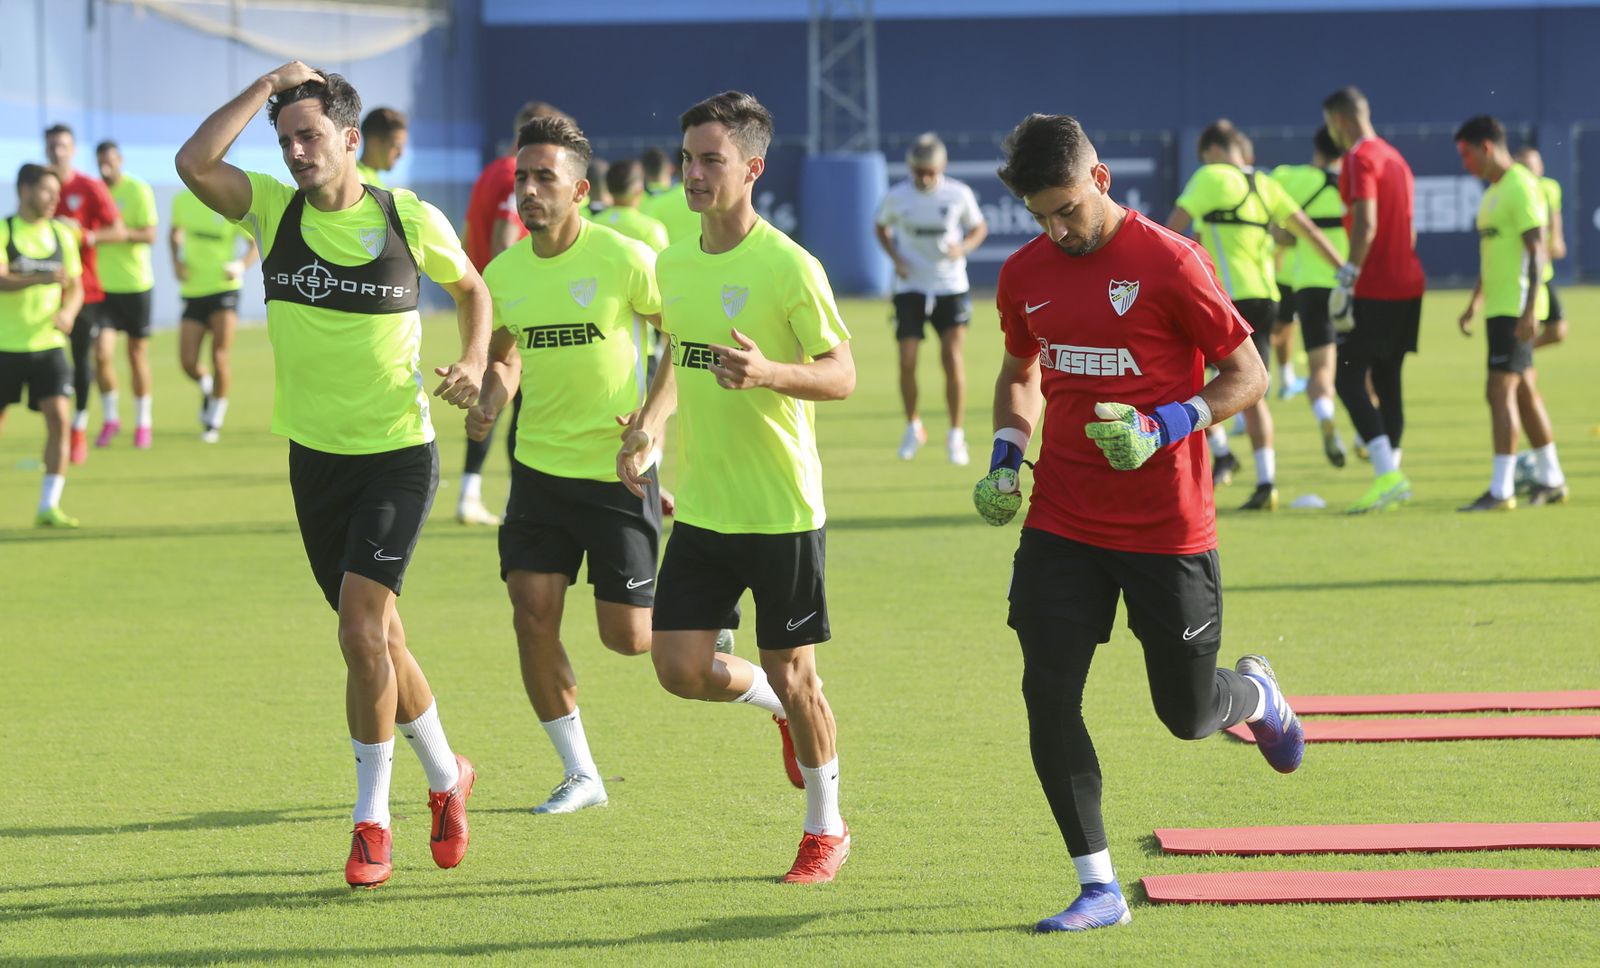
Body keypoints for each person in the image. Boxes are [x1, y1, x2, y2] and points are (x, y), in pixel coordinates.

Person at [976, 113, 1304, 933]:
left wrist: (1167, 423)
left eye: (1067, 209)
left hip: (1167, 527)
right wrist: (1005, 458)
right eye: (1040, 215)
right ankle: (1099, 888)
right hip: (1062, 521)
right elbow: (1020, 374)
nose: (1057, 228)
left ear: (1101, 180)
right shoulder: (1023, 274)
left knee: (1187, 716)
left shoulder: (1169, 260)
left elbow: (1248, 373)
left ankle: (1257, 696)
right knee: (1047, 694)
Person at [176, 61, 488, 889]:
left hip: (396, 455)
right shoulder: (272, 213)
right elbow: (195, 163)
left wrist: (475, 357)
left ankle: (371, 822)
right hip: (313, 460)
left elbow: (474, 290)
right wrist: (266, 84)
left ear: (353, 140)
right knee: (380, 638)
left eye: (310, 136)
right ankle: (446, 774)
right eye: (286, 141)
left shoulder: (407, 216)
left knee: (358, 630)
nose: (295, 153)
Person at [617, 91, 856, 884]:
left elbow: (842, 373)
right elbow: (676, 358)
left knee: (799, 672)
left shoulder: (790, 265)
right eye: (687, 158)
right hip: (706, 510)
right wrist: (649, 426)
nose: (692, 173)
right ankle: (780, 714)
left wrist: (770, 373)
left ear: (752, 168)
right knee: (679, 668)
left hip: (781, 509)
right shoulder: (674, 262)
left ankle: (826, 828)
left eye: (710, 159)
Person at [468, 116, 663, 814]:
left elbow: (679, 336)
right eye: (521, 177)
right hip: (539, 474)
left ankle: (750, 674)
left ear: (580, 189)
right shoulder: (502, 272)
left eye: (544, 177)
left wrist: (650, 423)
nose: (527, 190)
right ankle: (581, 773)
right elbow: (505, 355)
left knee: (630, 639)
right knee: (532, 613)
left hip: (616, 472)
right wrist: (486, 401)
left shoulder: (625, 256)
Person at [1166, 121, 1346, 510]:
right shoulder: (1267, 185)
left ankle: (1224, 453)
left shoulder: (1211, 177)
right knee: (1253, 388)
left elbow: (1172, 231)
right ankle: (1266, 482)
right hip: (1267, 300)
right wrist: (1344, 270)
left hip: (1224, 300)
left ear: (1213, 151)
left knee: (1186, 382)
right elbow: (1310, 233)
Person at [458, 100, 572, 526]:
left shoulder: (490, 172)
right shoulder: (513, 177)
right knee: (519, 406)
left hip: (487, 299)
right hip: (512, 301)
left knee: (490, 401)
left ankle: (473, 491)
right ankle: (517, 499)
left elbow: (469, 235)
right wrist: (515, 285)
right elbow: (505, 232)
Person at [1453, 116, 1568, 510]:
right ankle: (1552, 479)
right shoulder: (1494, 192)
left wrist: (1529, 308)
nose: (1465, 164)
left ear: (1486, 147)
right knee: (1523, 393)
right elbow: (1494, 256)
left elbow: (1537, 250)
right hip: (1499, 307)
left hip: (1515, 309)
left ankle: (1501, 490)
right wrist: (1474, 303)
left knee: (1498, 392)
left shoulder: (1521, 186)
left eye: (1467, 154)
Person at [1322, 86, 1425, 513]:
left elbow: (1365, 224)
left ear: (1340, 120)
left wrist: (1348, 277)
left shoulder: (1359, 158)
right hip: (1409, 283)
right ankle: (1393, 477)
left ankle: (1387, 474)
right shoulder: (1395, 158)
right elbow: (1410, 227)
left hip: (1375, 287)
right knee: (1388, 378)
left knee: (1347, 378)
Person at [874, 132, 988, 465]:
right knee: (907, 360)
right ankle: (913, 427)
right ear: (911, 168)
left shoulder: (958, 194)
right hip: (910, 287)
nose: (924, 177)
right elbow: (880, 227)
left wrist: (963, 248)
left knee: (951, 359)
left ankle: (956, 435)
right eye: (918, 171)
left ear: (942, 167)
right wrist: (895, 259)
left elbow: (979, 227)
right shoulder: (897, 197)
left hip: (950, 286)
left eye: (930, 171)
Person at [0, 164, 84, 526]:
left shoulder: (62, 235)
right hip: (6, 346)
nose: (54, 198)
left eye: (57, 191)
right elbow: (2, 280)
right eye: (47, 191)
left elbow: (76, 285)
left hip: (49, 346)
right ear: (25, 190)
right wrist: (42, 277)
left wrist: (68, 311)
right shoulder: (5, 230)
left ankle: (48, 505)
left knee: (60, 421)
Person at [1270, 126, 1352, 466]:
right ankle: (1368, 435)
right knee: (1363, 368)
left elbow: (1276, 228)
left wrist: (1289, 238)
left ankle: (1324, 416)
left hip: (1310, 285)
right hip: (1350, 284)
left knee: (1321, 369)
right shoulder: (1356, 181)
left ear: (1316, 149)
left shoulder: (1290, 178)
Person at [44, 124, 125, 461]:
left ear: (73, 149)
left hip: (84, 291)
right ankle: (58, 433)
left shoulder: (88, 187)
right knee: (43, 364)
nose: (57, 151)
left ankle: (78, 428)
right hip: (44, 294)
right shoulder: (40, 187)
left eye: (63, 145)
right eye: (52, 146)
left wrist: (86, 235)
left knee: (83, 361)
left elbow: (118, 230)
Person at [169, 186, 257, 442]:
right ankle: (207, 386)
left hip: (224, 290)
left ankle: (213, 422)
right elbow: (173, 233)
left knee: (219, 356)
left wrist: (240, 265)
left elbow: (253, 245)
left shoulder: (227, 201)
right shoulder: (182, 200)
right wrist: (176, 261)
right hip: (194, 290)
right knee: (187, 362)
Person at [94, 141, 160, 449]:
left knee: (136, 356)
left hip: (136, 285)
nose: (106, 167)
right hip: (103, 289)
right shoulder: (94, 192)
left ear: (119, 160)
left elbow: (149, 235)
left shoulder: (138, 190)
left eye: (110, 161)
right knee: (102, 354)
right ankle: (110, 419)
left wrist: (121, 234)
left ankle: (143, 423)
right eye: (101, 162)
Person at [1512, 145, 1567, 348]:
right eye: (1527, 166)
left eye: (1536, 164)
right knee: (1528, 326)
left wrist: (1557, 241)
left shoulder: (1549, 188)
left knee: (1557, 330)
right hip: (1524, 274)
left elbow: (1554, 219)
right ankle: (1519, 358)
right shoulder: (1516, 190)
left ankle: (1520, 357)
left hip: (1544, 271)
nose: (1535, 169)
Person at [595, 159, 671, 253]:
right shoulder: (652, 229)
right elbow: (663, 265)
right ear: (639, 190)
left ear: (608, 188)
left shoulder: (593, 224)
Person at [356, 107, 407, 188]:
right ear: (374, 143)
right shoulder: (356, 180)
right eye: (396, 146)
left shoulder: (376, 183)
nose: (401, 153)